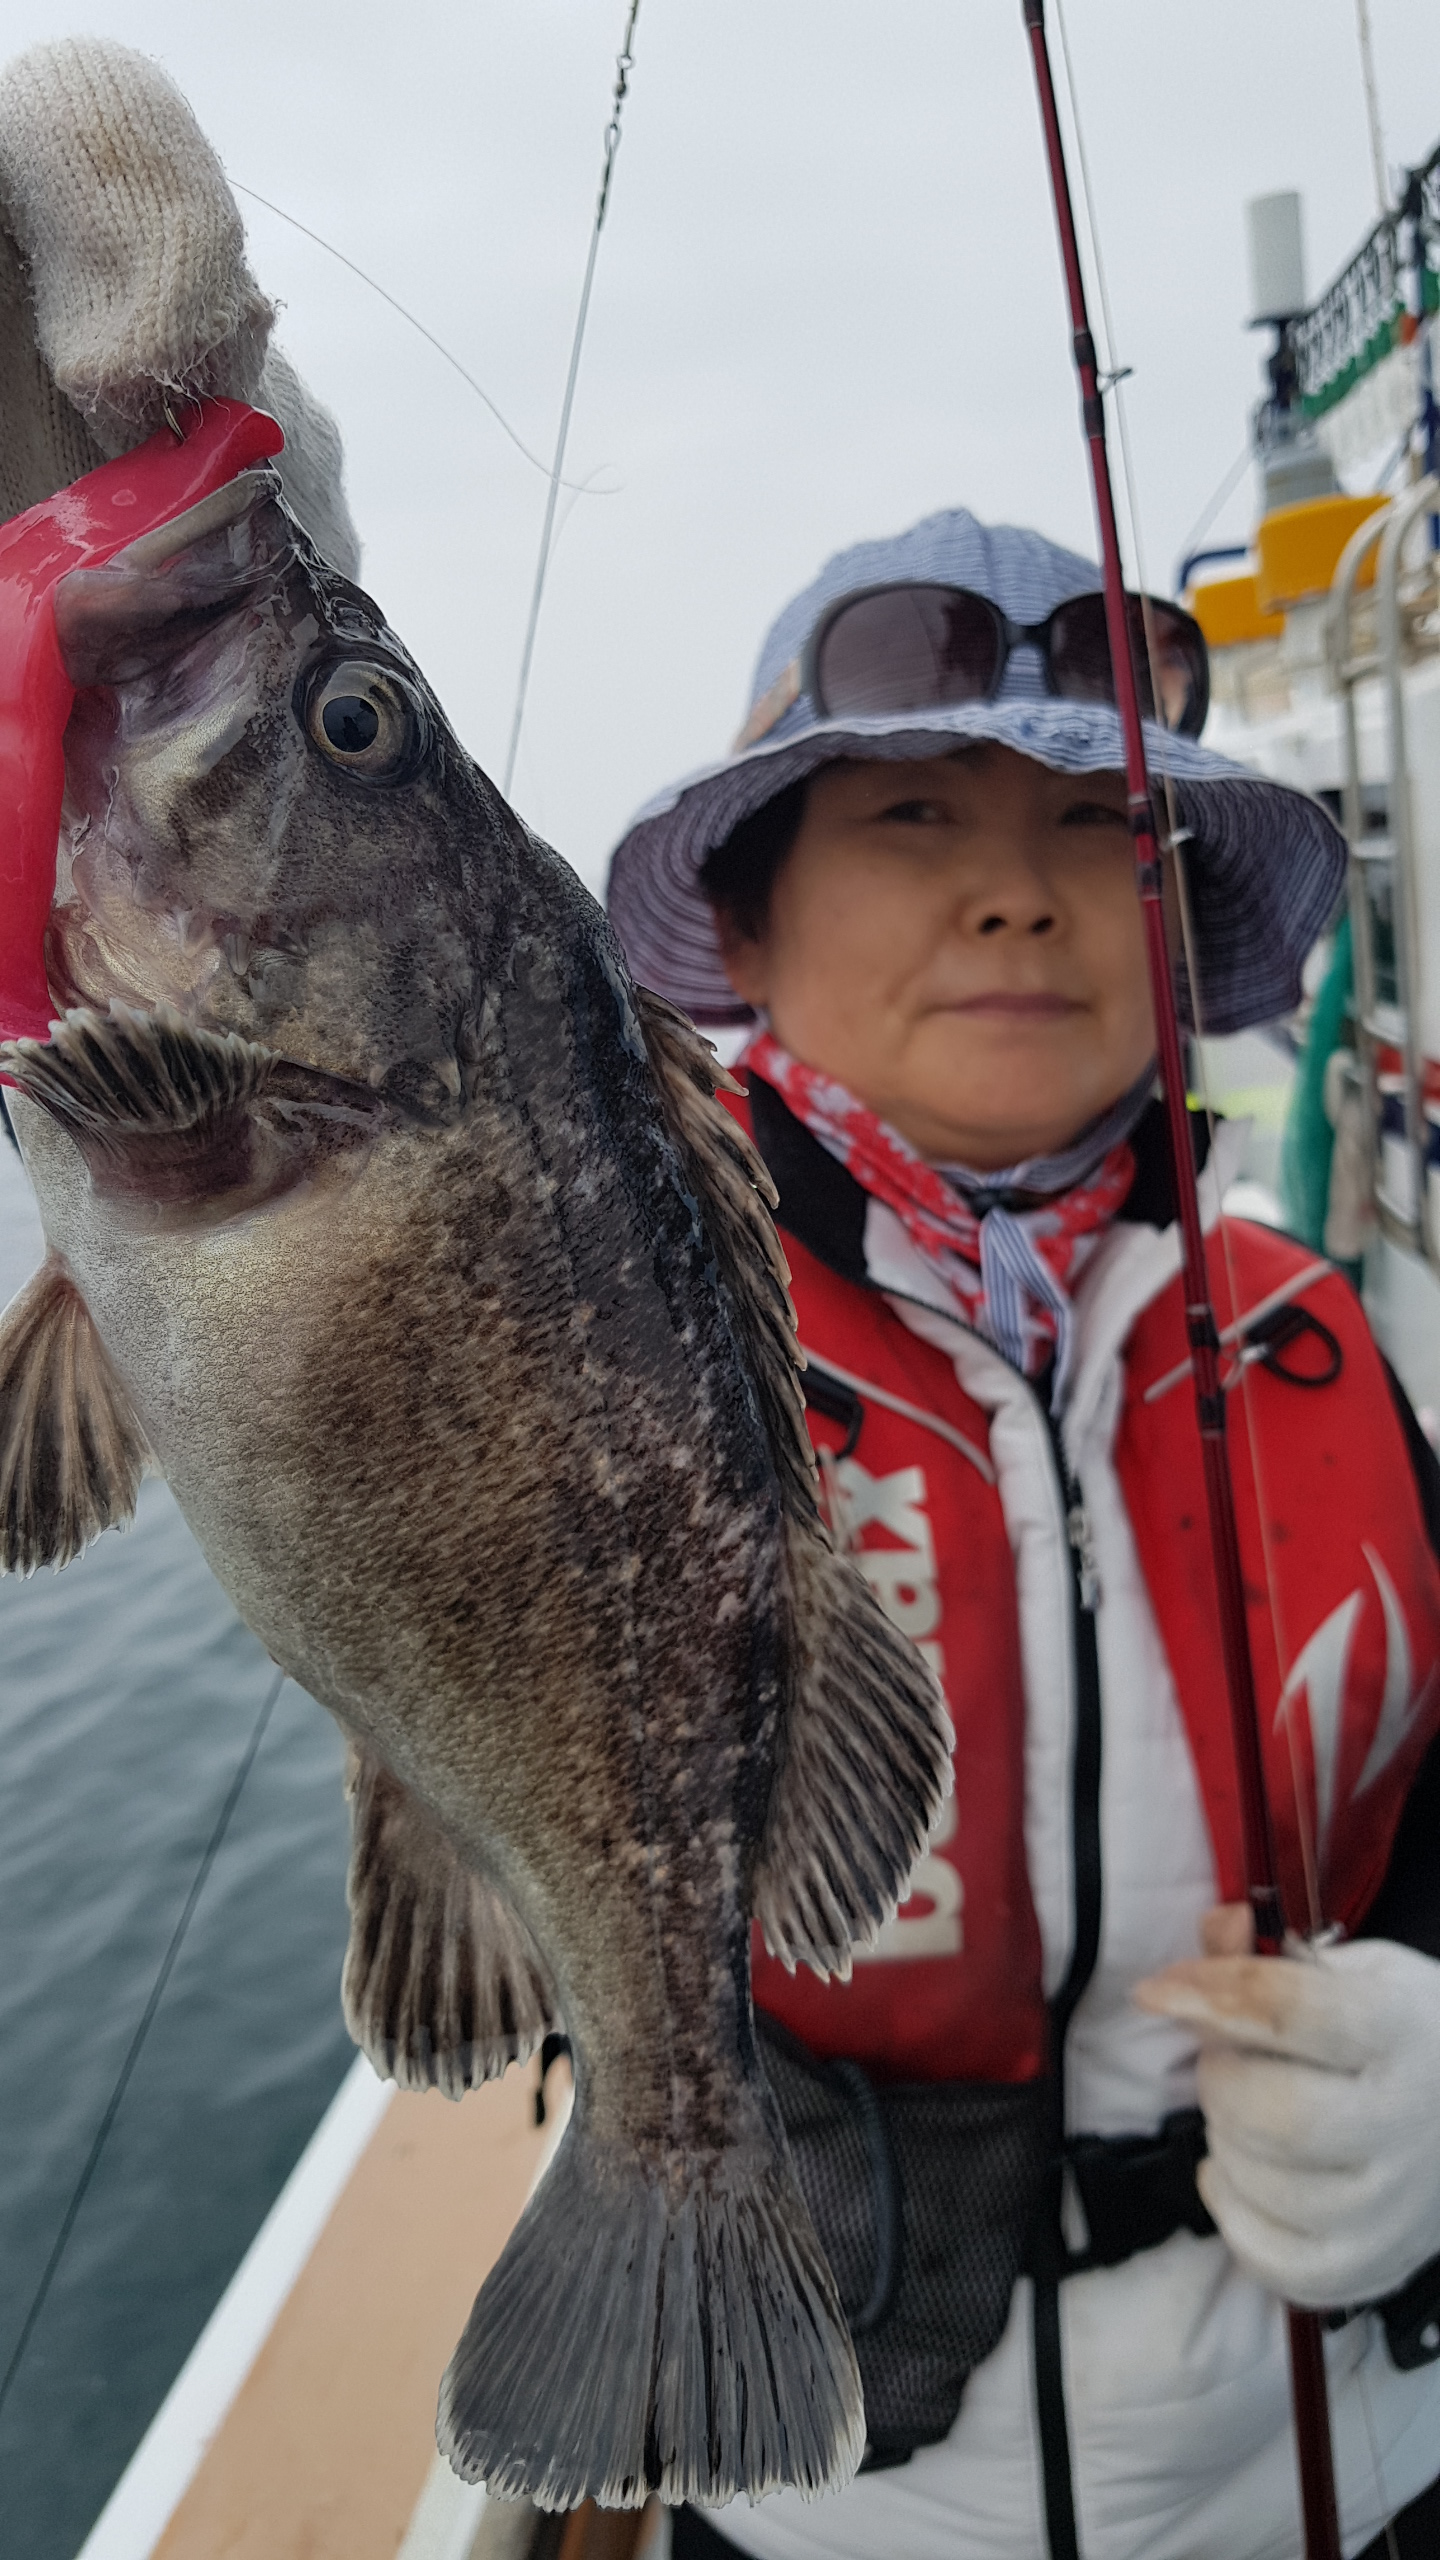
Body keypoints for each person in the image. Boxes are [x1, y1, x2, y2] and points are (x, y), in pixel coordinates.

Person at [606, 510, 1440, 2559]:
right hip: (820, 2496)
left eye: (1098, 822)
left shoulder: (1325, 1339)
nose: (1019, 892)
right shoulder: (607, 1352)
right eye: (913, 813)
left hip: (1341, 2464)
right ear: (748, 921)